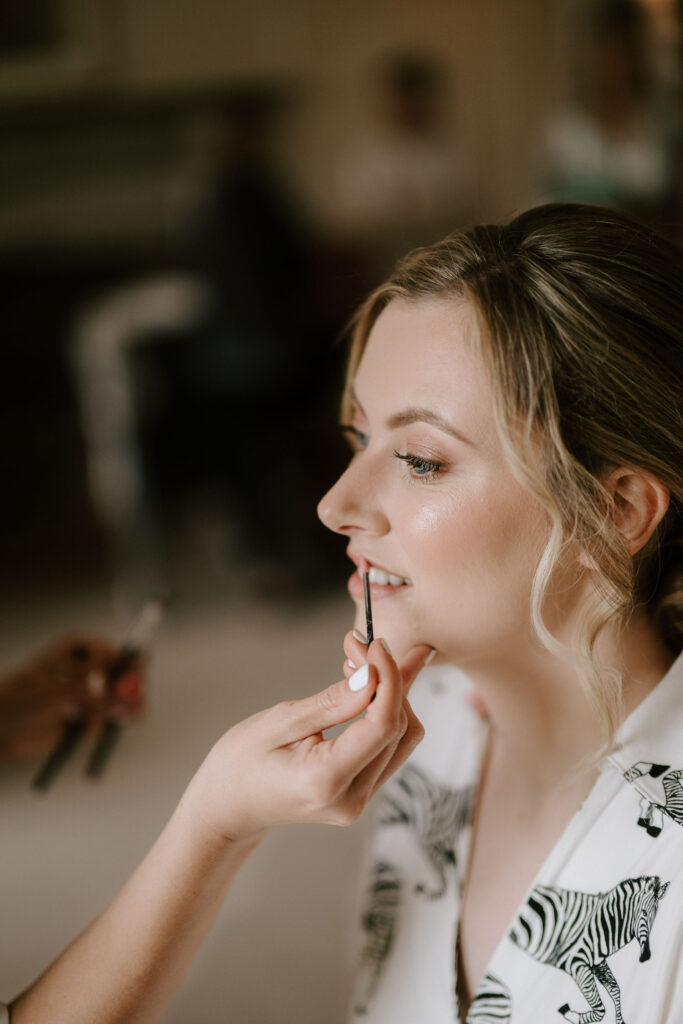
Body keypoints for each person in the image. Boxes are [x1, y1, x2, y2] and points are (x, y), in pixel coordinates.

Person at [3, 202, 682, 1024]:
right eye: (358, 441)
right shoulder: (432, 726)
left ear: (615, 510)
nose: (332, 505)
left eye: (422, 460)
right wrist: (212, 824)